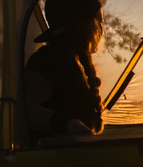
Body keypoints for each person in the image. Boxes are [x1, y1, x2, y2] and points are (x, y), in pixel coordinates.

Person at [24, 0, 104, 136]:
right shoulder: (49, 59)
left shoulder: (71, 61)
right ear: (87, 25)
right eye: (99, 21)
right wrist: (67, 124)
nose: (101, 29)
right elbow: (16, 109)